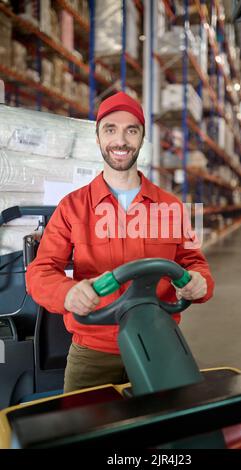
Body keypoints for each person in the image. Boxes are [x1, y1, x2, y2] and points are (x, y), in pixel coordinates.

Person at [25, 91, 215, 393]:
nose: (121, 140)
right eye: (110, 129)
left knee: (168, 433)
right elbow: (40, 272)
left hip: (160, 342)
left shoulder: (171, 207)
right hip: (93, 351)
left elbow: (195, 264)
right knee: (86, 434)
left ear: (141, 139)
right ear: (98, 138)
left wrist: (199, 282)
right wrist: (68, 293)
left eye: (131, 130)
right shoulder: (73, 207)